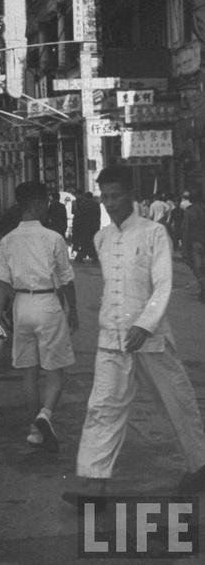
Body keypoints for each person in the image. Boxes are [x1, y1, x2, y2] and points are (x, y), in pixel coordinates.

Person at [64, 167, 205, 505]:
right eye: (105, 197)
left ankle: (199, 465)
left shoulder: (154, 233)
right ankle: (94, 485)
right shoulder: (102, 238)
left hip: (151, 337)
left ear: (130, 193)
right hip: (111, 339)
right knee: (103, 407)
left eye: (116, 195)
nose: (110, 203)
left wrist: (145, 324)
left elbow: (164, 282)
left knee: (176, 402)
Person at [0, 182, 78, 451]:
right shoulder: (53, 238)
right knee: (55, 372)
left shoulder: (7, 240)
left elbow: (2, 283)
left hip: (21, 306)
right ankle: (45, 415)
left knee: (29, 373)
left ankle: (35, 430)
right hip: (47, 303)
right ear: (40, 204)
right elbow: (66, 279)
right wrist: (73, 310)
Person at [182, 189, 205, 302]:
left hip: (196, 244)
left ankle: (203, 288)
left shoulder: (189, 211)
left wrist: (184, 249)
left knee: (198, 268)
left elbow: (186, 230)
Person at [73, 191, 101, 263]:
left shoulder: (83, 205)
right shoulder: (96, 205)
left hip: (85, 228)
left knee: (86, 244)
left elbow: (80, 217)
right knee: (91, 244)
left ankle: (80, 257)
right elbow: (98, 217)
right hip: (94, 228)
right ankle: (94, 258)